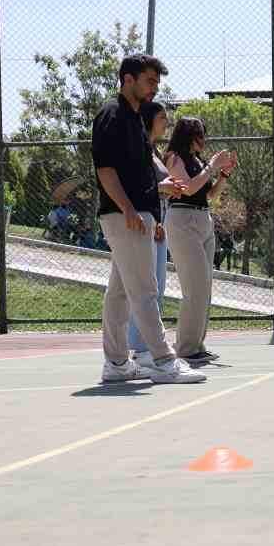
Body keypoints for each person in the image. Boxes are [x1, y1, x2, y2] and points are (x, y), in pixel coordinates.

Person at [92, 53, 205, 385]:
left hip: (134, 212)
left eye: (157, 82)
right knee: (144, 289)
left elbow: (134, 170)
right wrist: (128, 208)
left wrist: (161, 186)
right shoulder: (112, 114)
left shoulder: (134, 118)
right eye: (150, 81)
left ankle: (115, 363)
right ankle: (163, 360)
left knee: (120, 292)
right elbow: (106, 169)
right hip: (125, 216)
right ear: (128, 79)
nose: (155, 88)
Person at [163, 115, 236, 364]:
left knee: (205, 288)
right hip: (182, 221)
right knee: (194, 288)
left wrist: (223, 175)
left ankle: (196, 344)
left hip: (203, 220)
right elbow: (188, 188)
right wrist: (212, 167)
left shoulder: (198, 161)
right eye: (200, 135)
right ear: (189, 136)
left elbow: (209, 195)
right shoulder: (174, 157)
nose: (204, 140)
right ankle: (185, 347)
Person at [127, 102, 182, 362]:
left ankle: (146, 346)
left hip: (155, 224)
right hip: (141, 224)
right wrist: (164, 187)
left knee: (156, 288)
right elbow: (139, 185)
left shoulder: (153, 151)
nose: (167, 123)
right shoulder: (138, 149)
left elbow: (153, 187)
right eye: (162, 118)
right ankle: (140, 349)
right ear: (149, 119)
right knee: (145, 288)